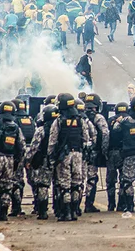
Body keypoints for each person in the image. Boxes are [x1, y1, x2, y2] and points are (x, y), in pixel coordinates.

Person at [47, 93, 91, 221]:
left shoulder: (59, 121)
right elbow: (86, 139)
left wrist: (51, 157)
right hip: (78, 154)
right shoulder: (80, 120)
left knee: (64, 184)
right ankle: (74, 211)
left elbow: (52, 140)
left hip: (64, 156)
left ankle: (66, 213)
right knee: (76, 184)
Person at [24, 104, 59, 220]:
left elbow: (34, 147)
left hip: (45, 160)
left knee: (43, 185)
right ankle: (61, 210)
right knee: (60, 185)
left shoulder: (41, 129)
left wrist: (28, 160)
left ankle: (43, 211)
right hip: (59, 160)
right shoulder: (62, 127)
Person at [83, 93, 109, 213]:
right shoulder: (98, 117)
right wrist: (104, 150)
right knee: (92, 178)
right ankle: (88, 204)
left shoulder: (80, 116)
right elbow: (105, 133)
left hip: (80, 153)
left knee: (75, 180)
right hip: (93, 153)